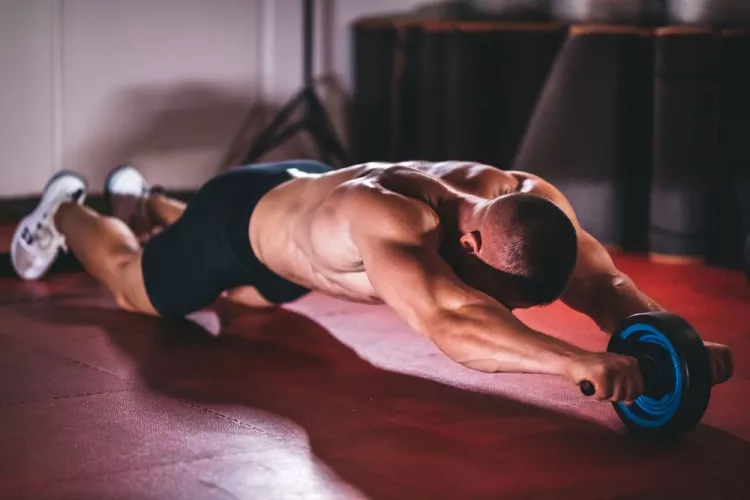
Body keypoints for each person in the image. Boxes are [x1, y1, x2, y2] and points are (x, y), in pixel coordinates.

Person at [12, 160, 733, 402]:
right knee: (143, 289)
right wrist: (576, 362)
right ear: (472, 239)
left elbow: (603, 284)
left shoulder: (525, 202)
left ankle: (146, 202)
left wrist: (680, 348)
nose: (495, 302)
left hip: (299, 233)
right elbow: (452, 321)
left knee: (254, 298)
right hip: (242, 220)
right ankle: (71, 207)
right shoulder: (394, 221)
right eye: (501, 292)